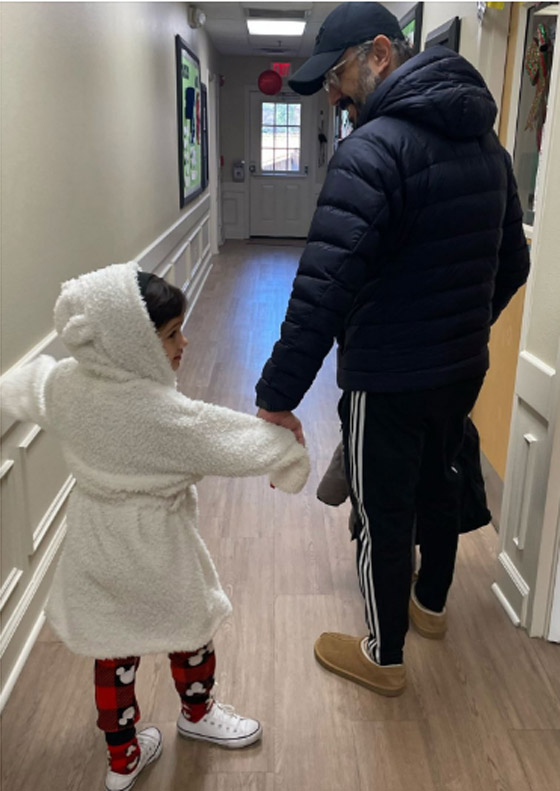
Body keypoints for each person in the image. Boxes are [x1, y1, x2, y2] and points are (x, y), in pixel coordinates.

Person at [255, 1, 530, 697]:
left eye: (338, 76)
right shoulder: (488, 147)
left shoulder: (372, 151)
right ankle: (430, 606)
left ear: (380, 53)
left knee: (383, 510)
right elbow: (514, 263)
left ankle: (383, 655)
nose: (334, 95)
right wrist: (464, 324)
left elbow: (322, 291)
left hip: (387, 376)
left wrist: (276, 397)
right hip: (462, 368)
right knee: (441, 483)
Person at [0, 262, 309, 791]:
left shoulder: (68, 386)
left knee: (113, 649)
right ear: (131, 344)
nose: (183, 343)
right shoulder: (163, 415)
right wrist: (287, 453)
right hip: (158, 548)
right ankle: (198, 713)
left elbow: (29, 384)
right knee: (190, 629)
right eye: (171, 334)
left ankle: (122, 758)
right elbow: (228, 439)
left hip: (96, 543)